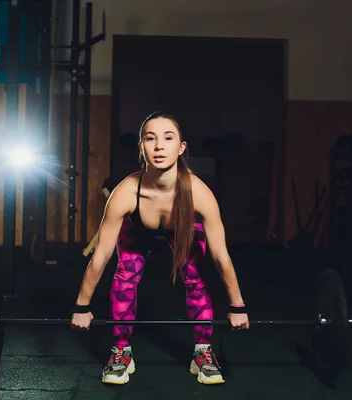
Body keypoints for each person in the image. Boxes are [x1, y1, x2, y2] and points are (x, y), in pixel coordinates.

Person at [70, 111, 249, 385]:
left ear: (181, 147)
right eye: (150, 138)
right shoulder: (126, 192)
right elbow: (102, 254)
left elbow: (220, 255)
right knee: (125, 276)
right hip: (138, 228)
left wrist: (237, 305)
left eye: (168, 138)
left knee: (197, 276)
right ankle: (121, 350)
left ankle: (203, 350)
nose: (159, 146)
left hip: (184, 229)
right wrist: (81, 306)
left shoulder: (199, 193)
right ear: (141, 147)